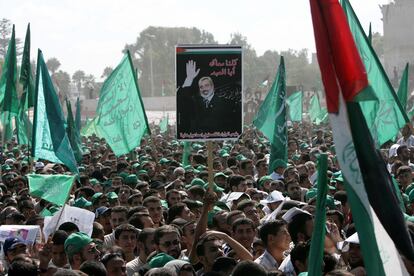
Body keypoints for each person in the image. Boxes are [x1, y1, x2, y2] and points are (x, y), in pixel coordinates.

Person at [177, 60, 241, 137]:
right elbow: (181, 99)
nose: (204, 89)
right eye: (201, 87)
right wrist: (189, 79)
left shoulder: (226, 103)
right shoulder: (194, 102)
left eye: (207, 85)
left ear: (212, 86)